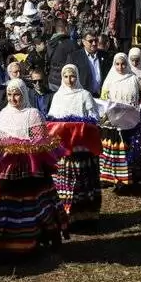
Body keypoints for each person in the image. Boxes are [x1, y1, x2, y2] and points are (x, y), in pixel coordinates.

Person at [0, 79, 68, 261]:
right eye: (10, 95)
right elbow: (0, 140)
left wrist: (25, 148)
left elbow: (41, 140)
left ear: (24, 94)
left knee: (36, 201)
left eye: (17, 94)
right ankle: (9, 243)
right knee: (9, 203)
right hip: (10, 166)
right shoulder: (4, 113)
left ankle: (39, 237)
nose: (13, 99)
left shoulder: (33, 114)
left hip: (31, 166)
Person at [46, 64, 103, 225]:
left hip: (83, 147)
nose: (69, 80)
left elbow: (94, 117)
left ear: (77, 76)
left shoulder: (84, 95)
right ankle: (66, 216)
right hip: (64, 149)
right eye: (66, 76)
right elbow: (52, 119)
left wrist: (81, 126)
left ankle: (87, 216)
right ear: (62, 78)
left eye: (72, 76)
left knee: (84, 180)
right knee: (66, 181)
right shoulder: (58, 96)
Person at [99, 53, 141, 189]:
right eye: (117, 64)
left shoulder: (135, 79)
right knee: (111, 150)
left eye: (123, 64)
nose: (120, 67)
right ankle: (107, 177)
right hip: (112, 121)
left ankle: (124, 179)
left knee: (126, 150)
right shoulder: (110, 80)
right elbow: (104, 99)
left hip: (130, 121)